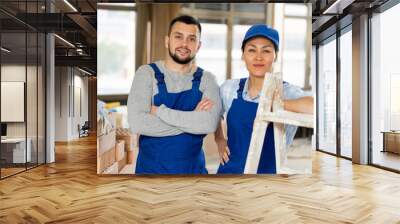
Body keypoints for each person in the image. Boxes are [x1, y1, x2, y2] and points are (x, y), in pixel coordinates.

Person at [128, 15, 222, 174]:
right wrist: (193, 119)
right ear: (167, 41)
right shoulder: (147, 74)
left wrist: (159, 112)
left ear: (198, 46)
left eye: (191, 39)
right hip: (150, 173)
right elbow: (138, 123)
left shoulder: (208, 79)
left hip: (193, 172)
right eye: (178, 37)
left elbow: (209, 124)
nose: (184, 44)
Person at [215, 24, 314, 174]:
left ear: (275, 56)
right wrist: (220, 140)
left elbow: (313, 107)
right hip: (229, 174)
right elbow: (213, 114)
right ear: (243, 55)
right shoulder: (229, 88)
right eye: (251, 50)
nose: (258, 57)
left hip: (267, 181)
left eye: (266, 51)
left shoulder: (287, 92)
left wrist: (278, 104)